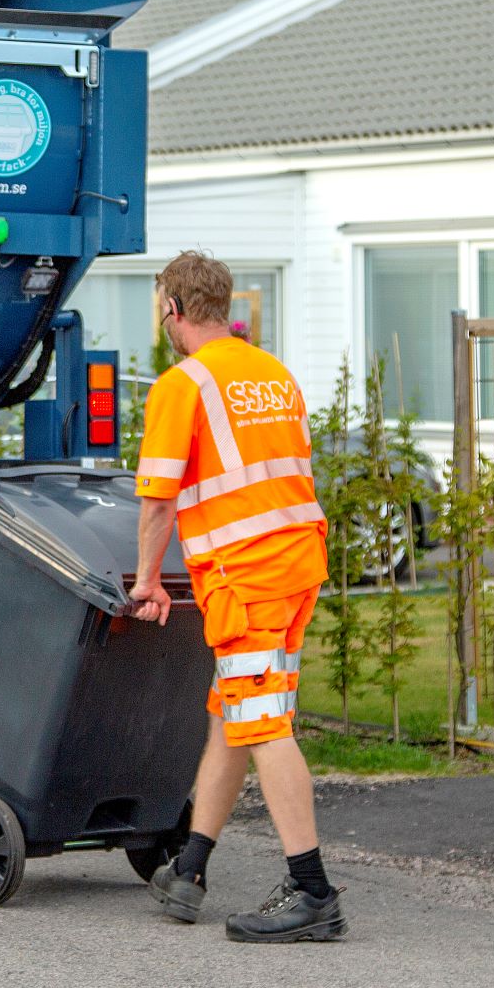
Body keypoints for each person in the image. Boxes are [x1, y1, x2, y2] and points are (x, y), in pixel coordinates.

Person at [126, 250, 346, 943]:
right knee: (236, 712)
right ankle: (188, 871)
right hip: (295, 563)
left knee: (264, 726)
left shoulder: (182, 384)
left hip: (244, 577)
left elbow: (157, 502)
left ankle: (312, 892)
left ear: (174, 310)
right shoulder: (272, 374)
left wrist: (145, 581)